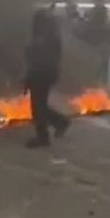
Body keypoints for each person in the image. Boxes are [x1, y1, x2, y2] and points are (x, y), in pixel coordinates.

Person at [24, 8, 69, 148]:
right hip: (48, 72)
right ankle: (58, 122)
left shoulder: (43, 37)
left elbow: (36, 57)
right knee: (40, 105)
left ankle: (44, 136)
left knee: (38, 106)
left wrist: (29, 76)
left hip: (41, 73)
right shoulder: (53, 35)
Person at [81, 2, 110, 86]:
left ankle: (92, 83)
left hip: (91, 48)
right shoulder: (107, 24)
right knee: (103, 68)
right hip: (103, 48)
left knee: (91, 68)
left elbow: (84, 35)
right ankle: (102, 84)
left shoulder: (90, 23)